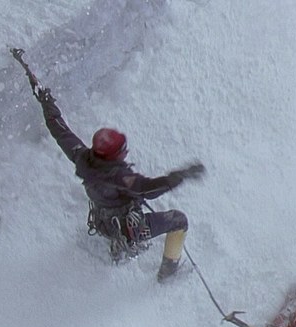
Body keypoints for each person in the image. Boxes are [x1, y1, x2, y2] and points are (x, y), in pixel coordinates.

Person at [33, 86, 204, 281]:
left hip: (101, 221)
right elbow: (150, 189)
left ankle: (118, 245)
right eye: (123, 150)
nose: (126, 152)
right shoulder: (121, 179)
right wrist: (182, 175)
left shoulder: (82, 158)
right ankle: (167, 273)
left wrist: (46, 101)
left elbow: (60, 131)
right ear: (114, 156)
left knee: (119, 221)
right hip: (130, 229)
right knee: (179, 220)